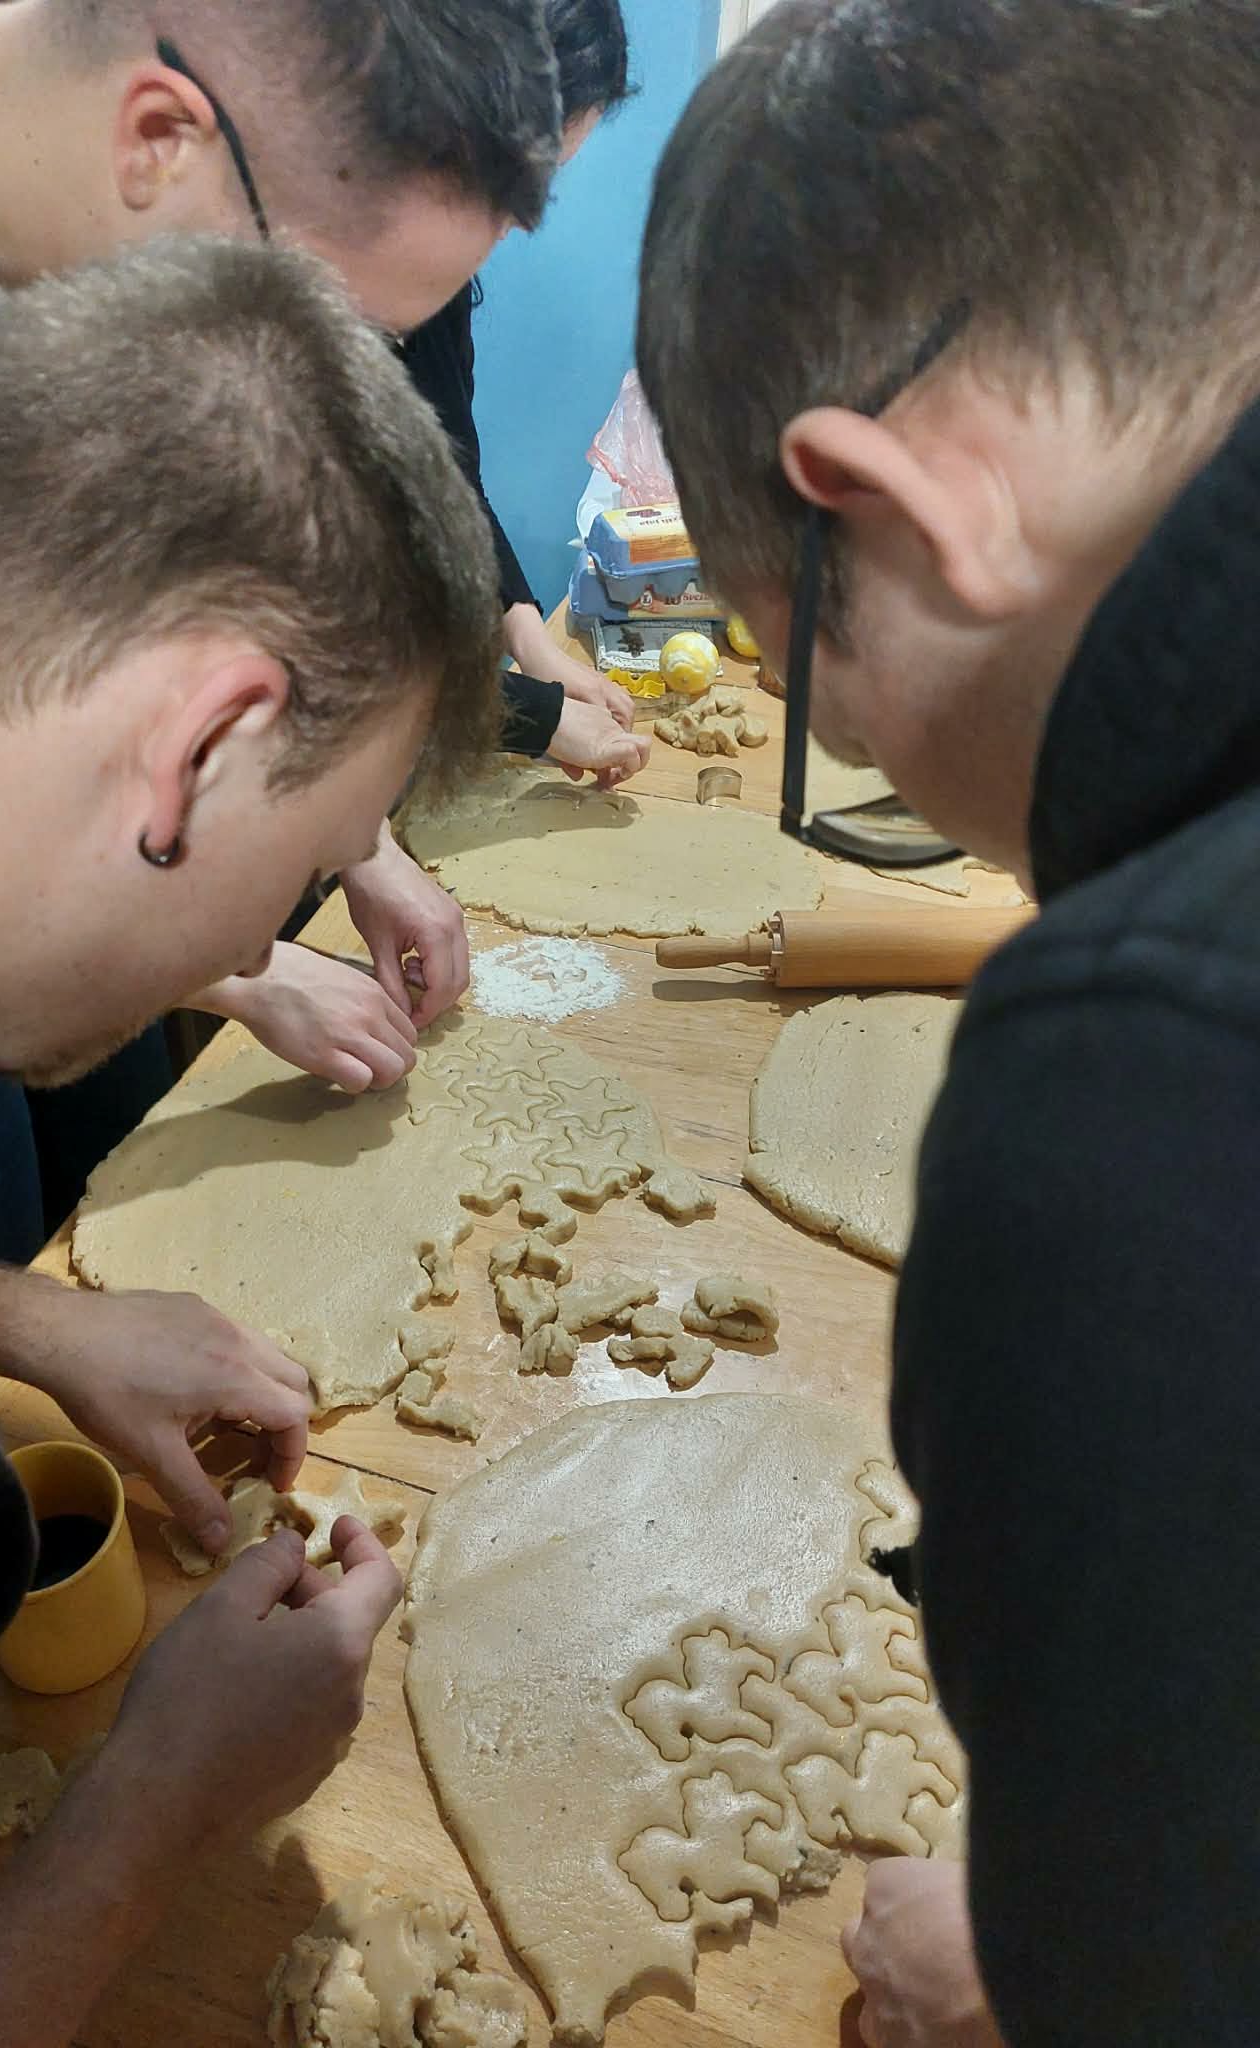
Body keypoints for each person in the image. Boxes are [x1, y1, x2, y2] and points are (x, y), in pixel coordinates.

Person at [0, 233, 503, 2041]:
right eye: (313, 857)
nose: (271, 930)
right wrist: (153, 1810)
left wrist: (29, 1318)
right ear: (197, 746)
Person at [637, 1, 1260, 2042]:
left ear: (890, 512)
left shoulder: (1139, 1070)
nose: (877, 761)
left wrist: (1042, 1959)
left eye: (809, 681)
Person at [0, 0, 563, 1261]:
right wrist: (235, 961)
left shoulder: (72, 232)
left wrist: (348, 829)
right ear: (158, 139)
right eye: (308, 314)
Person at [402, 0, 644, 783]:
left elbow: (448, 476)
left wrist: (531, 642)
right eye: (510, 179)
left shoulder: (435, 286)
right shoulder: (266, 298)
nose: (519, 222)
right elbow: (299, 639)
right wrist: (529, 716)